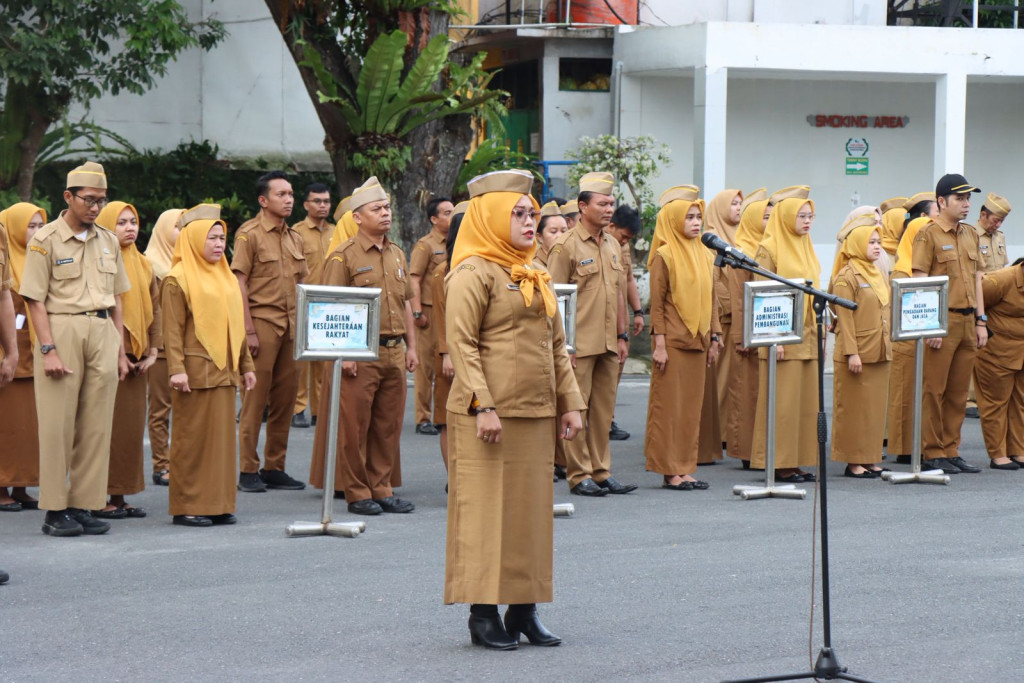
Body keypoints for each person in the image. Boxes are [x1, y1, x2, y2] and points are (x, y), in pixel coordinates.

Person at [443, 169, 584, 650]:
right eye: (519, 214)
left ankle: (524, 610)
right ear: (491, 218)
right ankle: (483, 614)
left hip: (535, 411)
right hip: (487, 416)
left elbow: (556, 345)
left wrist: (570, 404)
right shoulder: (471, 272)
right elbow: (461, 346)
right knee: (485, 515)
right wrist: (484, 405)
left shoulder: (536, 271)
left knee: (530, 516)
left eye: (532, 214)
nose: (530, 222)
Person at [20, 161, 131, 537]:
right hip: (62, 327)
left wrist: (119, 348)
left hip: (102, 329)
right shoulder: (44, 240)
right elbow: (34, 300)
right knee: (57, 425)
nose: (96, 207)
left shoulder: (108, 240)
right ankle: (54, 509)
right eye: (88, 199)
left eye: (101, 200)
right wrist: (47, 348)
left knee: (96, 425)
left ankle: (83, 503)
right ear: (68, 197)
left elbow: (117, 297)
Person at [309, 176, 418, 515]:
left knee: (388, 425)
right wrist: (344, 354)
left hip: (393, 350)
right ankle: (357, 492)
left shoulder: (398, 253)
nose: (385, 214)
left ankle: (382, 488)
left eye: (387, 208)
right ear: (357, 217)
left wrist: (411, 347)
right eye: (377, 209)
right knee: (353, 427)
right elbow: (331, 307)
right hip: (359, 353)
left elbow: (406, 305)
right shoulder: (343, 256)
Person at [164, 210, 256, 526]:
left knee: (221, 444)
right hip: (193, 373)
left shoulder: (227, 276)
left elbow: (237, 327)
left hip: (225, 371)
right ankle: (188, 505)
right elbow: (172, 330)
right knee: (192, 441)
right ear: (193, 240)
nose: (219, 245)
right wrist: (176, 368)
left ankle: (217, 504)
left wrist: (246, 365)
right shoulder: (178, 278)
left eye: (222, 238)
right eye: (212, 238)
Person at [547, 172, 635, 496]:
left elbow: (620, 292)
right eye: (602, 203)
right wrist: (563, 346)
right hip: (577, 345)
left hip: (609, 343)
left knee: (602, 412)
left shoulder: (613, 244)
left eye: (612, 203)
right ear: (582, 207)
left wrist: (623, 336)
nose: (609, 209)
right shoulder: (564, 247)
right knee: (577, 409)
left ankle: (601, 471)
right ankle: (578, 473)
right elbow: (554, 302)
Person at [231, 170, 309, 492]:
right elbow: (239, 282)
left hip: (291, 326)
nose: (289, 199)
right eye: (282, 194)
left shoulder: (295, 238)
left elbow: (304, 284)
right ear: (263, 200)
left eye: (291, 194)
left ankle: (274, 466)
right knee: (254, 399)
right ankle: (248, 469)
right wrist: (248, 330)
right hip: (262, 323)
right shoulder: (248, 235)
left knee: (285, 401)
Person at [645, 186, 720, 490]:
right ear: (674, 221)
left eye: (698, 217)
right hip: (674, 342)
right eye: (688, 217)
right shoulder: (664, 255)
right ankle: (669, 469)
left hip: (699, 341)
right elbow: (659, 304)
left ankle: (686, 467)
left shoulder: (705, 252)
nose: (695, 222)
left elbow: (712, 298)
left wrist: (715, 337)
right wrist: (659, 344)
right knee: (670, 409)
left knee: (691, 410)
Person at [911, 173, 987, 474]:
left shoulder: (970, 234)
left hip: (969, 321)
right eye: (960, 198)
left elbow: (977, 279)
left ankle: (950, 448)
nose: (966, 204)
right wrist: (931, 325)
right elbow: (920, 281)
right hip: (943, 321)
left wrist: (982, 320)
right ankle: (932, 451)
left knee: (957, 392)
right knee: (934, 389)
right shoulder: (927, 235)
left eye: (968, 198)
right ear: (941, 202)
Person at [95, 201, 162, 519]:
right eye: (121, 222)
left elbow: (155, 309)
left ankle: (121, 495)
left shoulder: (144, 264)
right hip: (106, 356)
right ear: (107, 225)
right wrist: (118, 353)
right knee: (105, 429)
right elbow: (104, 310)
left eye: (133, 221)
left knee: (130, 432)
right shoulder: (100, 261)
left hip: (139, 357)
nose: (130, 228)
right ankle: (96, 497)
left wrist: (153, 352)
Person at [750, 186, 819, 483]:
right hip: (779, 335)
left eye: (810, 216)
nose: (806, 221)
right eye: (801, 216)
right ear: (786, 217)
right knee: (784, 405)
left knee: (805, 405)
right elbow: (762, 295)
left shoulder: (806, 245)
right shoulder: (769, 248)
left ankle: (797, 460)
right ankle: (778, 462)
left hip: (807, 335)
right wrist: (773, 337)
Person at [829, 224, 892, 477]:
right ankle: (853, 461)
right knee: (854, 410)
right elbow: (844, 320)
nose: (877, 246)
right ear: (856, 245)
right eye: (871, 242)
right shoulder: (846, 276)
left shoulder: (877, 272)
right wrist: (851, 353)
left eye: (878, 242)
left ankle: (870, 457)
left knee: (874, 410)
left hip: (879, 349)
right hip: (857, 353)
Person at [0, 204, 43, 512]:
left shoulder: (39, 262)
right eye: (31, 226)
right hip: (11, 353)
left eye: (41, 225)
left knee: (30, 427)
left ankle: (22, 485)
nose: (37, 232)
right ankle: (2, 485)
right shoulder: (7, 260)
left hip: (36, 354)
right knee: (8, 426)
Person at [726, 188, 769, 468]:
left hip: (766, 329)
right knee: (746, 392)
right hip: (749, 333)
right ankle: (745, 452)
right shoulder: (742, 251)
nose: (770, 220)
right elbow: (738, 297)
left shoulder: (769, 247)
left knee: (761, 392)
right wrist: (742, 335)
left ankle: (762, 449)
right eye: (765, 216)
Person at [885, 214, 932, 464]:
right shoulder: (902, 272)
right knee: (905, 395)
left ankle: (918, 445)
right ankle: (905, 449)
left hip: (920, 339)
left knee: (919, 394)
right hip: (906, 341)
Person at [143, 207, 184, 486]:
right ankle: (162, 464)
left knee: (185, 407)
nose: (183, 232)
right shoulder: (150, 265)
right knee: (160, 407)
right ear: (164, 229)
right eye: (179, 226)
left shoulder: (191, 263)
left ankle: (181, 461)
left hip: (185, 346)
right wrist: (153, 347)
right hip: (160, 346)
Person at [291, 182, 336, 429]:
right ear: (306, 204)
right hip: (303, 303)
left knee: (323, 361)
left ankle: (320, 410)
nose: (322, 205)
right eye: (317, 201)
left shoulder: (336, 232)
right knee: (301, 362)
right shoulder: (296, 232)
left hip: (329, 304)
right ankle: (298, 408)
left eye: (326, 201)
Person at [409, 196, 455, 436]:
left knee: (445, 367)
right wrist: (417, 311)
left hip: (447, 310)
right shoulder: (425, 245)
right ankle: (422, 417)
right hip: (427, 310)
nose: (452, 215)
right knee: (426, 367)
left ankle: (441, 414)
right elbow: (414, 278)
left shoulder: (456, 241)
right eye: (446, 212)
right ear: (434, 219)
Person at [975, 257, 1024, 470]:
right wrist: (980, 325)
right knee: (995, 403)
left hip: (1021, 353)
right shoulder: (1000, 280)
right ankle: (998, 454)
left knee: (1020, 402)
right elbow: (974, 302)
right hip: (996, 353)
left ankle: (1018, 450)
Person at [703, 189, 743, 453]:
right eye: (734, 204)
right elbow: (713, 282)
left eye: (741, 204)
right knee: (719, 377)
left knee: (733, 379)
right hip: (722, 320)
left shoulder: (740, 238)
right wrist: (725, 310)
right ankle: (715, 433)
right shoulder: (711, 239)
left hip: (737, 317)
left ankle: (730, 431)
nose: (739, 208)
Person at [966, 192, 1012, 418]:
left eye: (1001, 221)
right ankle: (971, 399)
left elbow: (1005, 268)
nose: (998, 224)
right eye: (995, 220)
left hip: (998, 298)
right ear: (983, 214)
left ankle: (989, 393)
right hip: (979, 296)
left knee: (993, 347)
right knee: (976, 347)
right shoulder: (971, 235)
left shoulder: (999, 237)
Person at [604, 204, 646, 442]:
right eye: (622, 236)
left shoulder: (622, 245)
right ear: (612, 226)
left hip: (619, 317)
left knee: (615, 369)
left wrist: (638, 311)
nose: (624, 242)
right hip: (596, 317)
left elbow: (628, 278)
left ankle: (607, 419)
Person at [431, 201, 467, 473]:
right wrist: (446, 354)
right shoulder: (443, 271)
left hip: (477, 352)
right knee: (446, 418)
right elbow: (441, 316)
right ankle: (452, 476)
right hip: (451, 356)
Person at [534, 201, 568, 267]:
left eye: (563, 231)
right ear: (539, 237)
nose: (560, 236)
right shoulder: (535, 265)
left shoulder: (573, 258)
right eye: (553, 231)